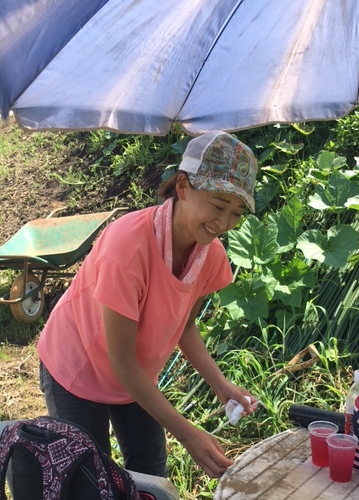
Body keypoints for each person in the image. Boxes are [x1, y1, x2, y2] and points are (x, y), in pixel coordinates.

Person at [37, 130, 259, 479]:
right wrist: (187, 433)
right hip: (77, 364)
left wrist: (220, 384)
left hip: (135, 375)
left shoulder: (210, 254)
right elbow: (120, 360)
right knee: (89, 479)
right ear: (183, 187)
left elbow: (184, 325)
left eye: (236, 213)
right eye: (217, 205)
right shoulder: (127, 246)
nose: (224, 223)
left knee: (151, 475)